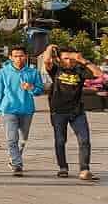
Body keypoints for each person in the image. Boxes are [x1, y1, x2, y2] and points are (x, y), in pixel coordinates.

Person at [42, 44, 102, 180]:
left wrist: (82, 60)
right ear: (60, 59)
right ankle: (63, 167)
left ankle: (84, 169)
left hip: (77, 111)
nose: (69, 62)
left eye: (72, 59)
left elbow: (98, 74)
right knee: (60, 140)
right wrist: (50, 48)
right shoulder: (56, 69)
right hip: (58, 111)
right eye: (66, 58)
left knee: (84, 140)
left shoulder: (80, 69)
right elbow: (46, 60)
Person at [0, 45, 44, 176]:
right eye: (15, 56)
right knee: (12, 138)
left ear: (25, 56)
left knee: (23, 139)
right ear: (10, 57)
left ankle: (15, 158)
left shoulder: (33, 73)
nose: (18, 58)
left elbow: (39, 90)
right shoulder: (2, 73)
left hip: (27, 110)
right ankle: (17, 164)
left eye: (21, 56)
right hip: (9, 109)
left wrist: (31, 88)